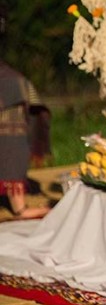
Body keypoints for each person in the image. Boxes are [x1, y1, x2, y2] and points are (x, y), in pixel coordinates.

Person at [0, 61, 51, 219]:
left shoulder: (11, 80)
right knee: (13, 142)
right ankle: (20, 209)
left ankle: (19, 206)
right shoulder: (13, 80)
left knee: (13, 139)